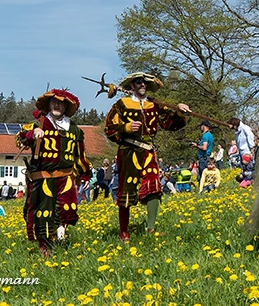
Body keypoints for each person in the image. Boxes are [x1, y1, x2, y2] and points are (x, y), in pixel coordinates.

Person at [104, 72, 190, 241]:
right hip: (128, 151)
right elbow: (109, 128)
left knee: (153, 186)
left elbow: (169, 123)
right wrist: (126, 127)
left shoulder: (154, 105)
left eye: (144, 82)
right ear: (132, 86)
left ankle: (150, 229)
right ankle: (124, 232)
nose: (142, 84)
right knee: (126, 191)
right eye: (138, 82)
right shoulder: (121, 104)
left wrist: (179, 112)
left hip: (149, 151)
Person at [17, 88, 91, 256]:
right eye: (54, 102)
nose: (57, 105)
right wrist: (32, 135)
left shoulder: (74, 129)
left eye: (61, 103)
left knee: (68, 208)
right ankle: (44, 248)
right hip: (43, 178)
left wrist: (85, 174)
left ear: (65, 107)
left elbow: (80, 155)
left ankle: (59, 234)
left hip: (66, 177)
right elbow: (19, 138)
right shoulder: (38, 124)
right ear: (49, 104)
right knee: (43, 213)